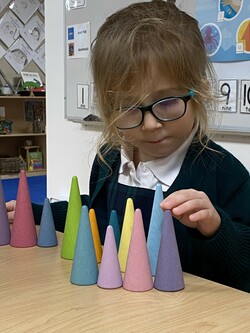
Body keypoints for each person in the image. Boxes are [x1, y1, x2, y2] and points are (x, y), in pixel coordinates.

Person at [6, 0, 250, 292]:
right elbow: (97, 214)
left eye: (168, 102)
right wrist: (35, 212)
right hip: (115, 309)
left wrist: (216, 228)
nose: (150, 125)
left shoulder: (223, 173)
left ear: (200, 90)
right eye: (129, 107)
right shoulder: (109, 160)